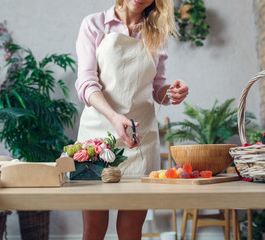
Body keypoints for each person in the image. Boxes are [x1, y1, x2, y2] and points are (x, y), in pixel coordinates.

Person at [75, 0, 189, 239]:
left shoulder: (157, 32)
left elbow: (157, 87)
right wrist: (114, 117)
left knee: (130, 230)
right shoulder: (94, 24)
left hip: (140, 138)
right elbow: (86, 82)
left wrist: (172, 92)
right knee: (93, 230)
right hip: (96, 138)